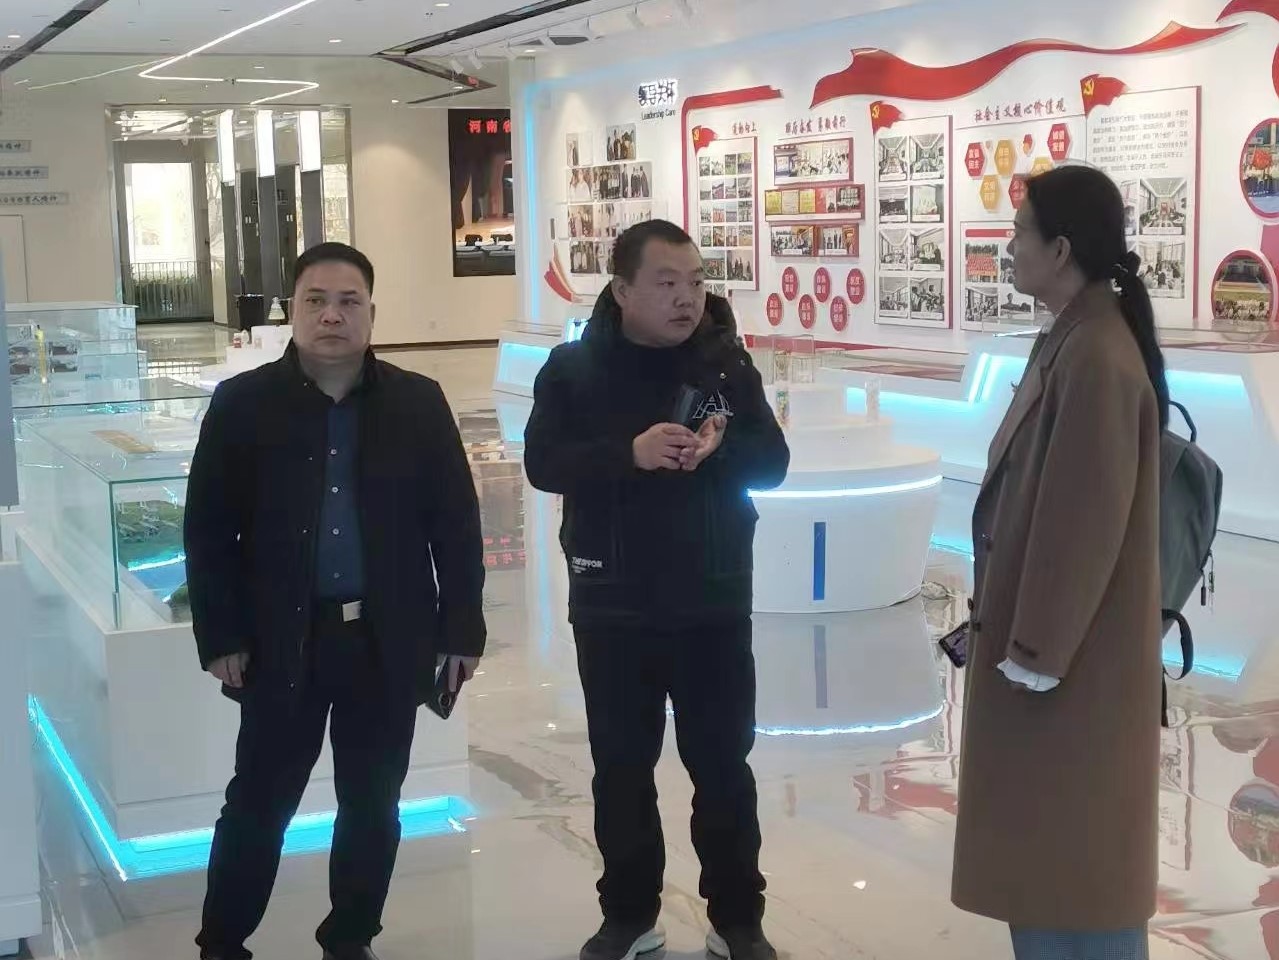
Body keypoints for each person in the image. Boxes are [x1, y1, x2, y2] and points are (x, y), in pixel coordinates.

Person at [186, 242, 487, 960]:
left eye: (348, 302)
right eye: (315, 301)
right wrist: (220, 634)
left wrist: (461, 630)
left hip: (384, 641)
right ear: (292, 311)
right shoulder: (243, 404)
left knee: (373, 804)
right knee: (259, 802)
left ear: (371, 312)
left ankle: (350, 939)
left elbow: (455, 522)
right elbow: (207, 529)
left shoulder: (417, 402)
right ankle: (222, 942)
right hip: (279, 642)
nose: (331, 315)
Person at [524, 220, 790, 960]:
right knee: (621, 767)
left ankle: (737, 918)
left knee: (723, 767)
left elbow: (772, 462)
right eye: (666, 283)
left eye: (696, 281)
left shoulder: (727, 367)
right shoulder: (573, 370)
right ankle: (629, 914)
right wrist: (629, 454)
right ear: (622, 290)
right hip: (612, 599)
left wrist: (720, 450)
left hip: (713, 599)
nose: (686, 298)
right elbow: (543, 463)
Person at [952, 164, 1167, 960]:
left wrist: (1034, 651)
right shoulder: (1075, 340)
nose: (1008, 247)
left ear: (1061, 249)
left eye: (1019, 233)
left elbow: (1083, 520)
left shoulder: (1095, 356)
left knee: (1072, 868)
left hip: (1067, 668)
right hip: (1051, 659)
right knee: (1050, 864)